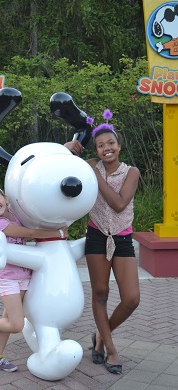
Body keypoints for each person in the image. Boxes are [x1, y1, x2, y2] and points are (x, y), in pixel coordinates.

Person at [0, 167, 68, 372]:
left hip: (24, 275)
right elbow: (28, 232)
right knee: (17, 324)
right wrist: (55, 232)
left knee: (9, 319)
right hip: (9, 278)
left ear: (5, 197)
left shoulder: (13, 212)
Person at [64, 113, 140, 374]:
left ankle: (99, 336)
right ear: (95, 149)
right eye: (100, 145)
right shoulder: (89, 165)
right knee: (100, 295)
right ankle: (110, 349)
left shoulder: (131, 172)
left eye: (111, 143)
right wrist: (66, 148)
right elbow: (61, 164)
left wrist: (95, 175)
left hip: (122, 239)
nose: (107, 148)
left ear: (118, 146)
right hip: (96, 237)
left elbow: (119, 204)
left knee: (131, 299)